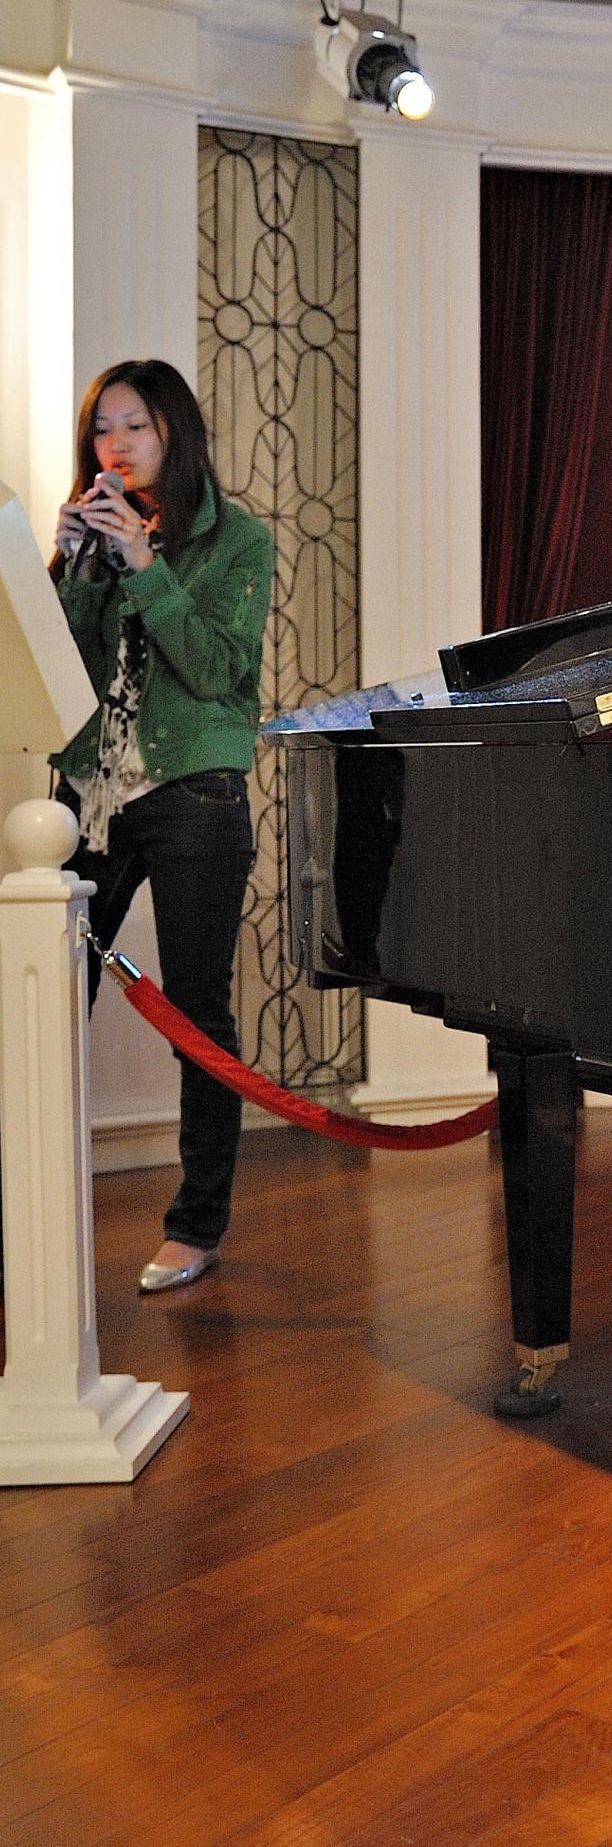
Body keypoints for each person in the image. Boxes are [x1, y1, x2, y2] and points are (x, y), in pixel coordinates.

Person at [48, 359, 273, 1293]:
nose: (117, 446)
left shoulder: (236, 540)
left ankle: (197, 1223)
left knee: (196, 1010)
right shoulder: (97, 540)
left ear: (173, 432)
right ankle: (40, 1207)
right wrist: (66, 571)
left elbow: (217, 670)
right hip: (89, 793)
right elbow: (58, 674)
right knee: (51, 1000)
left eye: (134, 426)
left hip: (192, 793)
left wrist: (146, 567)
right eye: (103, 430)